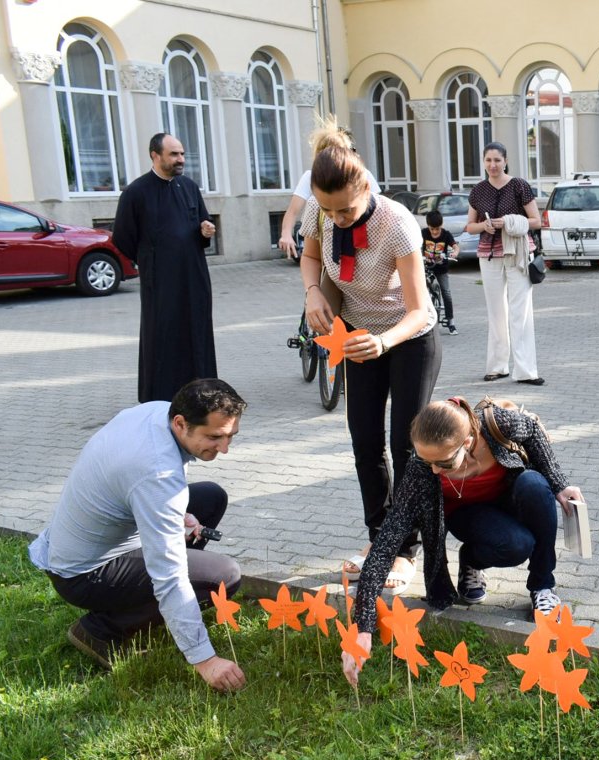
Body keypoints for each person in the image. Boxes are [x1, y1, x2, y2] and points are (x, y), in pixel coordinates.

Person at [339, 397, 585, 685]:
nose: (433, 470)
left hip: (510, 500)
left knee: (535, 485)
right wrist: (363, 627)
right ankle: (471, 559)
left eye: (442, 462)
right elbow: (385, 546)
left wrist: (559, 482)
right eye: (426, 460)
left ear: (468, 441)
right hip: (468, 517)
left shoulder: (496, 424)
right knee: (518, 546)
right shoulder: (422, 470)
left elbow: (530, 429)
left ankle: (543, 587)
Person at [27, 379, 247, 692]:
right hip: (84, 575)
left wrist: (169, 517)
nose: (224, 448)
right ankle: (100, 630)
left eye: (230, 436)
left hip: (84, 546)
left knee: (210, 496)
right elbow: (168, 576)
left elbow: (133, 488)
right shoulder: (156, 474)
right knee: (224, 575)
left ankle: (146, 608)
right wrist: (205, 660)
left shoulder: (156, 413)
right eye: (214, 437)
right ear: (181, 423)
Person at [299, 143, 440, 595]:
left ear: (364, 187)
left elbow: (420, 310)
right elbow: (311, 257)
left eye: (345, 209)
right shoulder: (322, 214)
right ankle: (380, 540)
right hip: (358, 338)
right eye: (328, 209)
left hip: (407, 339)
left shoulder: (396, 224)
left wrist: (383, 341)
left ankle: (406, 551)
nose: (337, 219)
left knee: (406, 446)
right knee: (364, 442)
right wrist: (312, 293)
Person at [113, 133, 217, 403]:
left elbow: (201, 224)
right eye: (174, 154)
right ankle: (160, 395)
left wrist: (205, 231)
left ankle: (201, 390)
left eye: (182, 154)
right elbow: (123, 237)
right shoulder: (136, 192)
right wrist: (149, 258)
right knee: (163, 333)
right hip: (160, 280)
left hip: (194, 276)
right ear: (155, 155)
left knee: (197, 330)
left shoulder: (190, 187)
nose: (180, 159)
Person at [465, 142, 545, 385]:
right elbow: (470, 226)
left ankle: (526, 371)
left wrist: (509, 221)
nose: (493, 165)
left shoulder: (519, 185)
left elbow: (536, 221)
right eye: (488, 160)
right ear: (484, 161)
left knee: (520, 313)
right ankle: (497, 366)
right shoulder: (478, 191)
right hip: (488, 255)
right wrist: (485, 226)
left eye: (497, 160)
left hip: (517, 254)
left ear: (506, 161)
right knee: (496, 312)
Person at [277, 119, 380, 261]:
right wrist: (286, 233)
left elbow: (380, 207)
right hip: (327, 244)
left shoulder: (362, 174)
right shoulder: (311, 177)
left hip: (362, 241)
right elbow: (293, 211)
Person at [422, 209, 459, 334]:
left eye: (437, 229)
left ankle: (451, 321)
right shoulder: (423, 234)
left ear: (441, 225)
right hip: (426, 268)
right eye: (432, 229)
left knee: (446, 293)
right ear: (428, 226)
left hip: (441, 269)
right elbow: (415, 246)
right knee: (421, 293)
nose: (434, 232)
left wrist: (454, 252)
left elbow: (455, 246)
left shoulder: (446, 235)